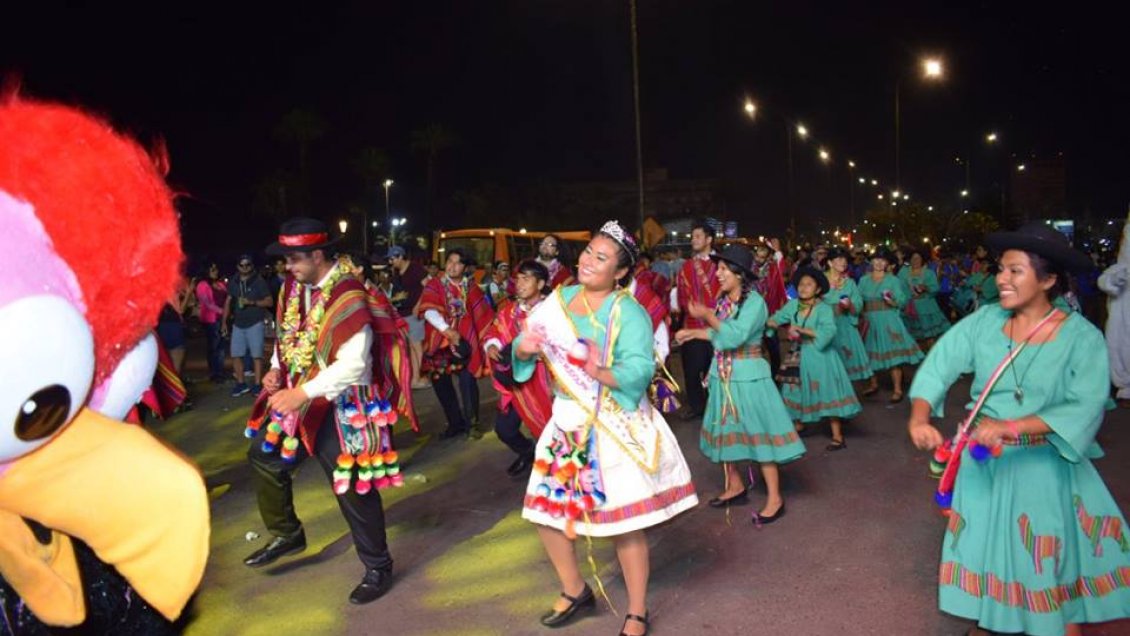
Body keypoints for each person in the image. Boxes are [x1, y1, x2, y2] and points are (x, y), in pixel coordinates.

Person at [907, 222, 1130, 636]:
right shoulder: (984, 321)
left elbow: (1086, 402)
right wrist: (920, 417)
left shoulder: (1081, 337)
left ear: (1047, 280)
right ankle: (994, 620)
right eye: (1000, 269)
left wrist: (1013, 425)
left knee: (1041, 558)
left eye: (1015, 271)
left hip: (1041, 467)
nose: (1001, 279)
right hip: (983, 464)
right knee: (985, 548)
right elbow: (940, 363)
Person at [515, 221, 697, 636]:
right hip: (566, 424)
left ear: (621, 271)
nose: (587, 261)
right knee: (545, 514)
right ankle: (574, 589)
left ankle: (636, 611)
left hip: (612, 423)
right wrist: (523, 349)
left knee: (624, 525)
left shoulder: (629, 312)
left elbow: (639, 370)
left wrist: (598, 370)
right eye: (587, 252)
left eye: (600, 257)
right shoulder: (559, 299)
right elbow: (524, 346)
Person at [242, 218, 397, 605]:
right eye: (286, 259)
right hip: (302, 395)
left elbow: (355, 365)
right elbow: (286, 337)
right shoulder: (292, 289)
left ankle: (378, 566)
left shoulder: (348, 293)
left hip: (345, 401)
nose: (287, 266)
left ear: (316, 255)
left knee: (352, 485)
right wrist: (276, 368)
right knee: (264, 455)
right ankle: (287, 533)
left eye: (294, 258)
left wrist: (301, 393)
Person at [675, 244, 803, 521]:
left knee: (760, 437)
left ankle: (775, 498)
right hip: (723, 375)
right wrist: (693, 333)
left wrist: (707, 316)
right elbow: (719, 335)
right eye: (718, 269)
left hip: (749, 377)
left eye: (723, 269)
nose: (718, 274)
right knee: (725, 432)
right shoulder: (724, 302)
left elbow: (735, 336)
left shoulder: (755, 303)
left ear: (740, 274)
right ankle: (735, 485)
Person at [768, 267, 861, 450]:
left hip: (820, 356)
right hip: (798, 354)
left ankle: (837, 436)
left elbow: (829, 331)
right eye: (801, 284)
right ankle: (798, 424)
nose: (803, 288)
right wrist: (771, 323)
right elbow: (777, 318)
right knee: (794, 389)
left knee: (827, 391)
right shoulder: (793, 305)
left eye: (809, 284)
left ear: (818, 289)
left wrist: (801, 330)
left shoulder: (824, 308)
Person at [483, 260, 553, 477]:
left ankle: (557, 473)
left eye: (526, 279)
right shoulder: (509, 312)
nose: (519, 284)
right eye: (518, 279)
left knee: (550, 429)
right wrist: (492, 345)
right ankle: (528, 452)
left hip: (545, 382)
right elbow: (493, 332)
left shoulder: (554, 311)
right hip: (515, 383)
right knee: (504, 429)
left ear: (540, 284)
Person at [418, 249, 495, 438]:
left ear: (465, 267)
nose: (452, 266)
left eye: (458, 262)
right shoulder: (435, 285)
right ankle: (455, 424)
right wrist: (449, 331)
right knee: (442, 385)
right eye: (449, 261)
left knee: (468, 383)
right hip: (440, 344)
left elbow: (484, 315)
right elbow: (428, 311)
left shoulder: (472, 288)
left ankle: (472, 424)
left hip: (466, 344)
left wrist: (485, 341)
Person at [859, 247, 924, 401]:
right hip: (870, 320)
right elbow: (858, 299)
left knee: (894, 356)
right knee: (869, 353)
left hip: (888, 320)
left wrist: (892, 302)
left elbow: (902, 300)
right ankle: (873, 384)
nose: (879, 263)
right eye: (876, 259)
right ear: (871, 261)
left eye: (883, 260)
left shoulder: (893, 280)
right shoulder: (863, 280)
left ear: (887, 263)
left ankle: (897, 389)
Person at [674, 221, 720, 419]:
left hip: (717, 326)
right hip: (692, 325)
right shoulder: (686, 266)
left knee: (715, 369)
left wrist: (712, 312)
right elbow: (682, 295)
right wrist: (691, 310)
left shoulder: (721, 265)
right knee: (692, 370)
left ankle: (716, 405)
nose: (693, 240)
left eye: (698, 236)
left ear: (709, 239)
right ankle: (696, 406)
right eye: (692, 237)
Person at [223, 254, 273, 396]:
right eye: (242, 265)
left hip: (255, 322)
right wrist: (224, 322)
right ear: (237, 266)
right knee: (236, 354)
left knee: (256, 355)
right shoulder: (234, 281)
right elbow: (228, 301)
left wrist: (252, 302)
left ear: (252, 266)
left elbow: (269, 301)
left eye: (248, 265)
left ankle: (257, 385)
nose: (245, 268)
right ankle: (241, 384)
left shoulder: (259, 281)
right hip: (238, 323)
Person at [824, 247, 873, 385]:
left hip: (845, 326)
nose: (844, 262)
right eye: (839, 259)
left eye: (845, 259)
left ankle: (845, 394)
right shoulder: (819, 281)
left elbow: (858, 304)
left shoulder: (849, 282)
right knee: (827, 365)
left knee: (847, 363)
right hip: (825, 327)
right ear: (830, 262)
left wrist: (850, 305)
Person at [388, 245, 429, 389]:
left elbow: (428, 287)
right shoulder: (397, 272)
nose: (391, 262)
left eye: (392, 259)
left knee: (416, 346)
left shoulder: (415, 269)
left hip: (413, 313)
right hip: (402, 313)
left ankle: (416, 378)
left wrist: (419, 305)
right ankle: (413, 377)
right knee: (409, 347)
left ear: (400, 256)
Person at [898, 249, 951, 350]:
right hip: (910, 308)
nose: (915, 261)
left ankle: (933, 355)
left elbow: (935, 288)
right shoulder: (903, 273)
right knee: (913, 337)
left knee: (930, 336)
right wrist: (908, 297)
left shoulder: (928, 273)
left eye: (918, 258)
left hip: (927, 308)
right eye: (913, 258)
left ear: (922, 260)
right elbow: (899, 288)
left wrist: (926, 288)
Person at [195, 262, 228, 383]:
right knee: (214, 347)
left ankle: (220, 372)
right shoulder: (202, 285)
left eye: (216, 269)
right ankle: (215, 373)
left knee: (221, 347)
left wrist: (226, 313)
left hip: (222, 318)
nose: (215, 271)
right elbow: (207, 304)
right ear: (206, 271)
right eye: (212, 269)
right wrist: (223, 311)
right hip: (211, 320)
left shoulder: (220, 284)